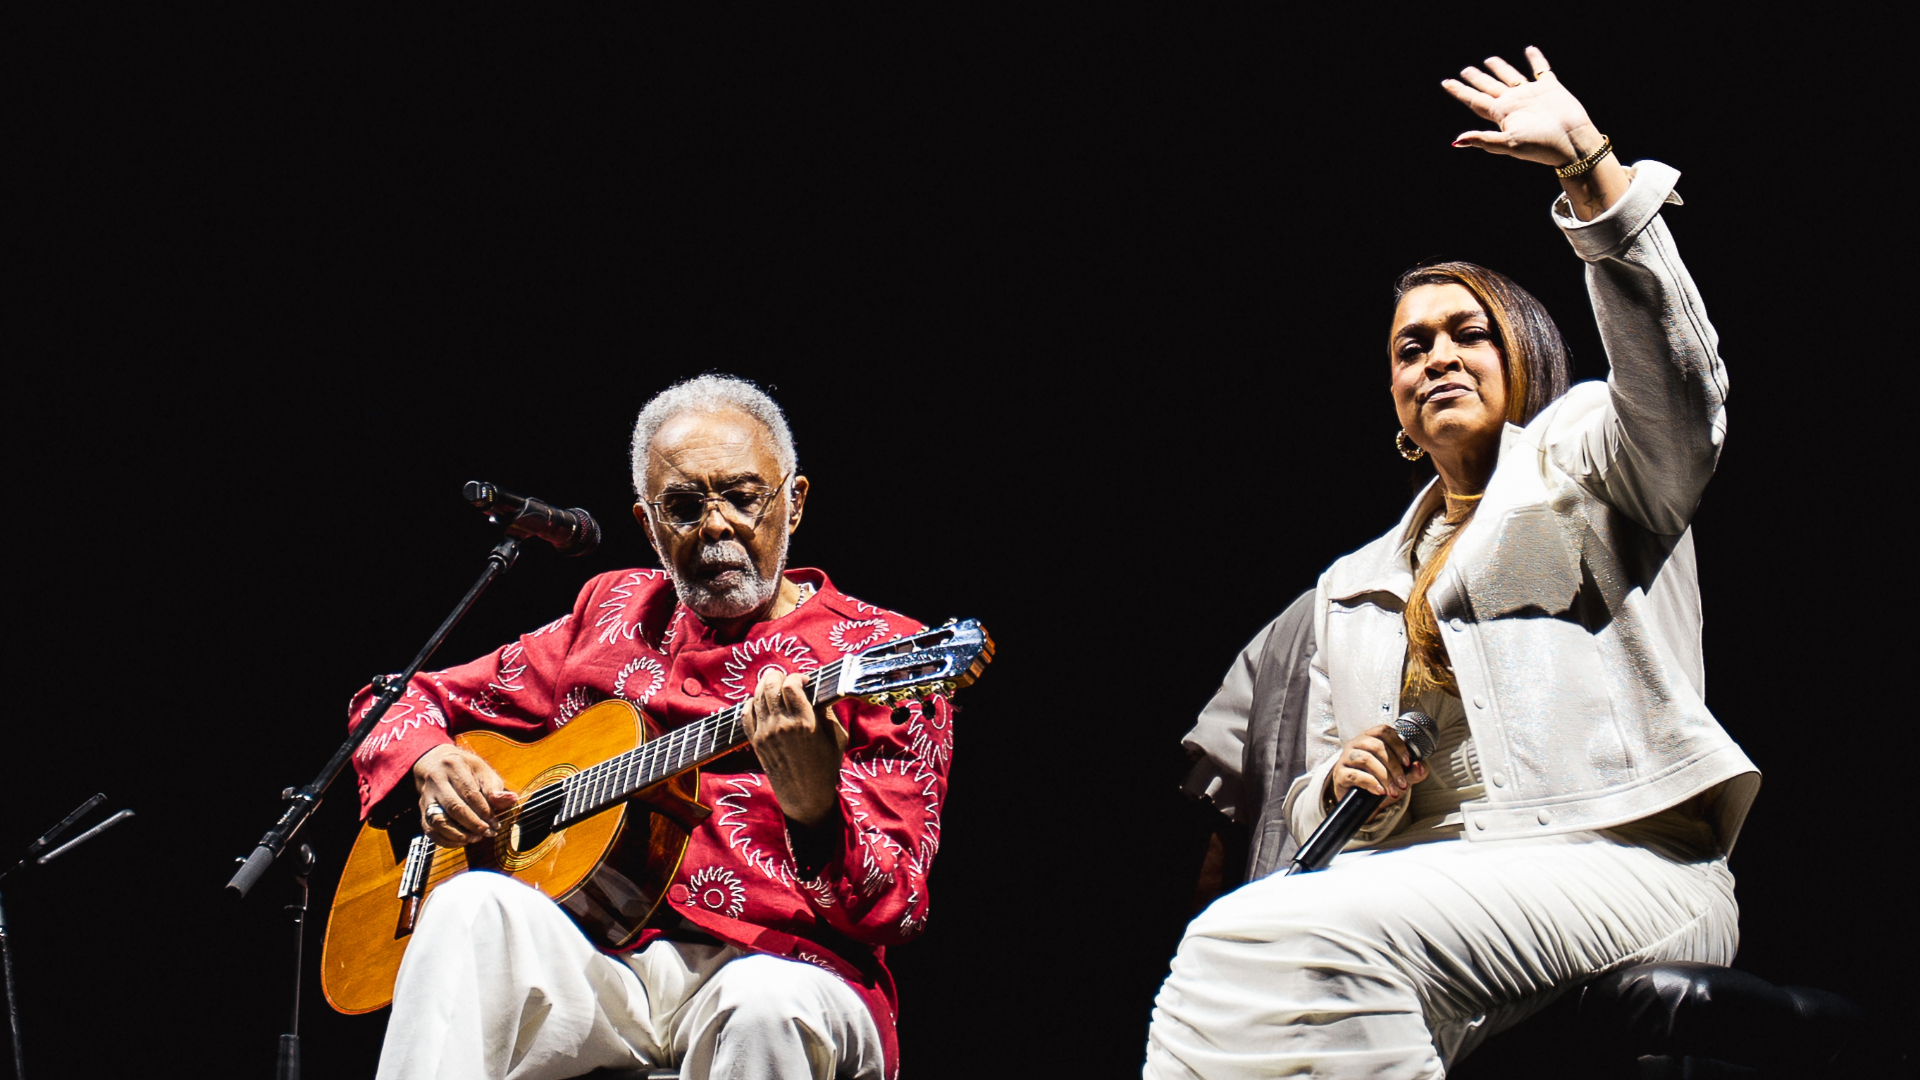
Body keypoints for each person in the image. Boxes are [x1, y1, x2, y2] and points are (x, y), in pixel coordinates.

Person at [1144, 48, 1760, 1079]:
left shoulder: (1598, 462)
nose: (1434, 356)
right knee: (1218, 960)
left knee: (1281, 942)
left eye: (1465, 333)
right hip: (1432, 876)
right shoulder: (1353, 584)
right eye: (1409, 346)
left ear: (1520, 352)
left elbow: (1683, 385)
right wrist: (1339, 784)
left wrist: (1590, 175)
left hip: (1625, 865)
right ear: (1393, 400)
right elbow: (1315, 800)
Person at [348, 375, 952, 1080]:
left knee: (763, 1004)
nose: (718, 525)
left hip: (785, 966)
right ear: (648, 524)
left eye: (743, 496)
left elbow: (897, 909)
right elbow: (393, 700)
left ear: (795, 502)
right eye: (685, 506)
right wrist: (429, 763)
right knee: (468, 905)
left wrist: (817, 810)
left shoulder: (882, 653)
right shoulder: (609, 611)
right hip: (604, 971)